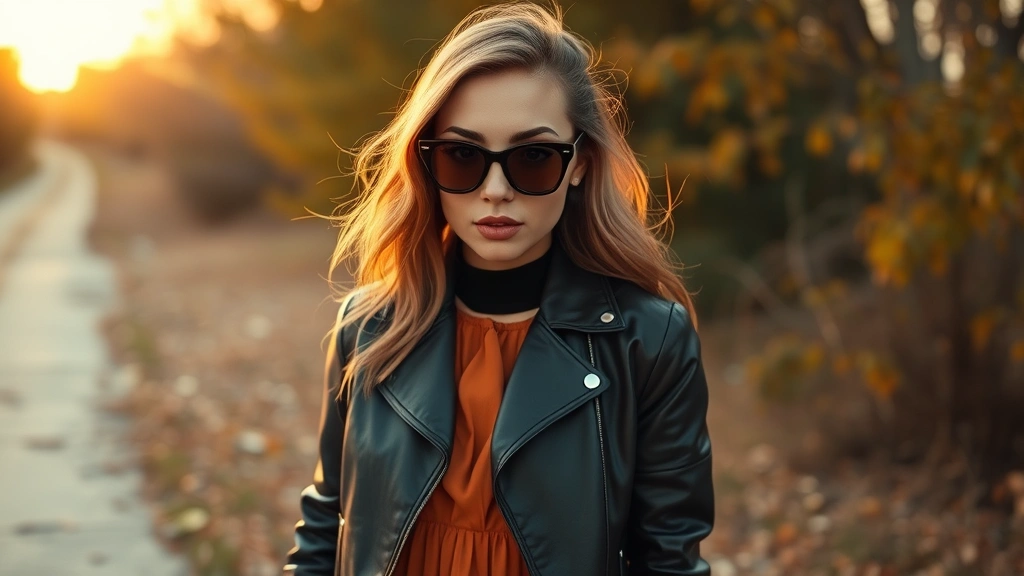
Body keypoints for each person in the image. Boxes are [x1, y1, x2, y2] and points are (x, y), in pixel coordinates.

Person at [283, 2, 714, 575]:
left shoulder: (650, 342)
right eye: (463, 154)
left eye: (533, 156)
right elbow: (327, 523)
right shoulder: (368, 326)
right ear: (426, 161)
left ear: (580, 163)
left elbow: (668, 559)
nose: (494, 190)